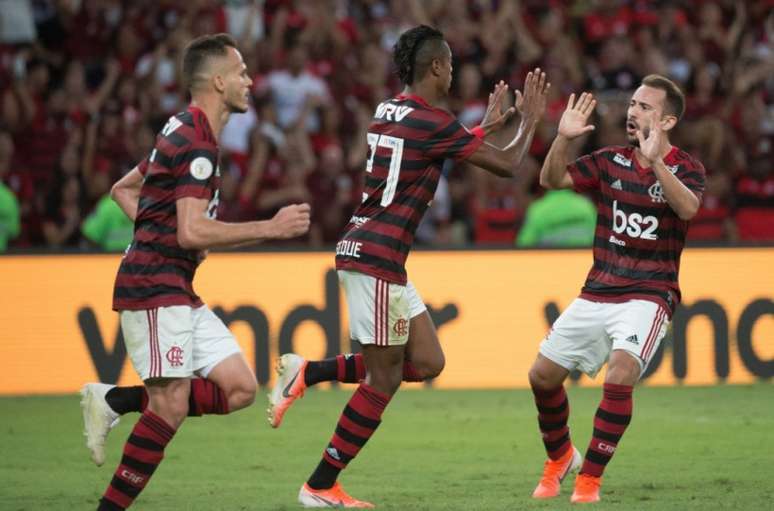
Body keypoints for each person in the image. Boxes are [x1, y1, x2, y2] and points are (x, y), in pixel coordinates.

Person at [270, 25, 550, 508]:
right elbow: (506, 165)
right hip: (377, 257)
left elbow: (437, 142)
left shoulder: (389, 109)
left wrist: (485, 125)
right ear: (437, 66)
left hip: (376, 255)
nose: (453, 74)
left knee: (426, 362)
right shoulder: (434, 121)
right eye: (451, 66)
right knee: (384, 380)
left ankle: (308, 372)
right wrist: (530, 121)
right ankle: (319, 485)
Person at [79, 33, 311, 511]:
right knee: (170, 405)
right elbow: (190, 232)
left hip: (175, 286)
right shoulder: (198, 140)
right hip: (153, 285)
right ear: (220, 81)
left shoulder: (179, 127)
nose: (250, 80)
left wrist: (164, 229)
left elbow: (125, 191)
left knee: (241, 387)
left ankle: (114, 401)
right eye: (243, 72)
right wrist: (269, 227)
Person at [529, 75, 705, 504]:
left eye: (645, 107)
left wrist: (657, 164)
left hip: (650, 292)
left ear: (667, 120)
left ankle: (589, 479)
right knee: (541, 376)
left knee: (621, 371)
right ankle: (559, 457)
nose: (632, 111)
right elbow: (551, 180)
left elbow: (689, 208)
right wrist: (563, 139)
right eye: (632, 104)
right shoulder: (609, 161)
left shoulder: (687, 168)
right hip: (599, 289)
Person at [515, 188, 596, 247]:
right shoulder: (586, 206)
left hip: (551, 265)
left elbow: (524, 244)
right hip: (584, 263)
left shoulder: (538, 209)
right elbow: (601, 239)